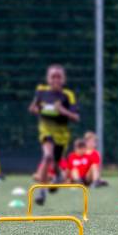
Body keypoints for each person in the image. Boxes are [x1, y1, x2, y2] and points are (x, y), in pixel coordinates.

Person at [29, 65, 79, 202]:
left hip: (62, 134)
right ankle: (42, 190)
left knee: (55, 161)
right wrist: (37, 108)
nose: (56, 79)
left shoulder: (68, 95)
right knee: (47, 156)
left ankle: (58, 175)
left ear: (64, 79)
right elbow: (33, 108)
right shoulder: (41, 91)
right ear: (48, 78)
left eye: (59, 77)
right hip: (45, 129)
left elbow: (76, 117)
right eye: (53, 76)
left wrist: (62, 110)